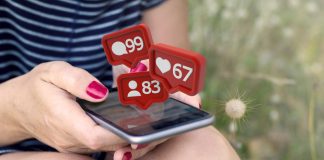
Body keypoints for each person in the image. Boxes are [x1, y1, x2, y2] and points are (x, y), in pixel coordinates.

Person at [0, 0, 240, 160]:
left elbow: (174, 73)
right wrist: (18, 113)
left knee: (207, 149)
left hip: (119, 141)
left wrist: (160, 106)